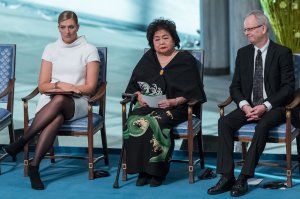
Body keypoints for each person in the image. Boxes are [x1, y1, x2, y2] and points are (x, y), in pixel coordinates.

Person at [3, 11, 100, 190]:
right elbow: (42, 86)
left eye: (71, 27)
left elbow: (90, 87)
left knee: (60, 100)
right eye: (63, 27)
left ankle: (23, 140)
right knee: (56, 116)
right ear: (58, 28)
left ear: (77, 27)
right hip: (50, 100)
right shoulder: (50, 48)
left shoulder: (89, 50)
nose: (67, 31)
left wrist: (66, 89)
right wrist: (62, 85)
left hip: (77, 102)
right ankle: (34, 167)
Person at [207, 10, 294, 197]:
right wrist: (245, 105)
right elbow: (235, 87)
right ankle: (226, 176)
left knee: (262, 126)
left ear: (263, 28)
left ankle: (244, 178)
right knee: (224, 122)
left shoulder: (282, 53)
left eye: (250, 29)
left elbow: (288, 88)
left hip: (274, 107)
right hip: (249, 105)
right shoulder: (243, 53)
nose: (246, 33)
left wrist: (265, 106)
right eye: (244, 30)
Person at [123, 18, 206, 187]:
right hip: (148, 105)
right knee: (134, 120)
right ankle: (142, 170)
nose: (161, 42)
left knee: (156, 121)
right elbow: (134, 85)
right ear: (152, 42)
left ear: (174, 39)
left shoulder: (185, 60)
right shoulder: (148, 58)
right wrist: (139, 96)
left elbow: (194, 91)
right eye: (157, 39)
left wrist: (174, 101)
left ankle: (156, 172)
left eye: (165, 37)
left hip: (176, 107)